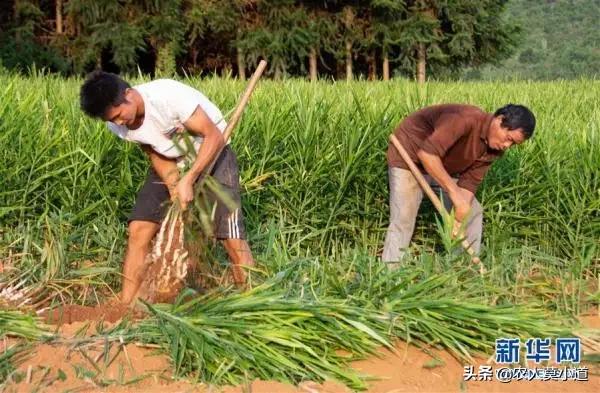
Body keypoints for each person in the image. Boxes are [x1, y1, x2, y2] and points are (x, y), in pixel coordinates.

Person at [80, 71, 255, 304]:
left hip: (212, 153)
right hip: (170, 159)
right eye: (112, 120)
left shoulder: (167, 97)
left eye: (120, 115)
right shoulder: (118, 126)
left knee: (231, 236)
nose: (119, 123)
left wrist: (189, 178)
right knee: (139, 228)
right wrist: (173, 184)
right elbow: (152, 149)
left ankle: (253, 299)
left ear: (128, 94)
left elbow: (214, 136)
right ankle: (126, 305)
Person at [382, 103, 536, 263]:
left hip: (439, 167)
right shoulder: (463, 119)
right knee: (404, 217)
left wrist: (459, 217)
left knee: (472, 211)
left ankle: (463, 270)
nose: (506, 146)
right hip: (409, 157)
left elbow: (469, 184)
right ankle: (389, 275)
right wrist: (454, 194)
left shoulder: (495, 149)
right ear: (500, 120)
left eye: (513, 144)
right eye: (508, 139)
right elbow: (427, 154)